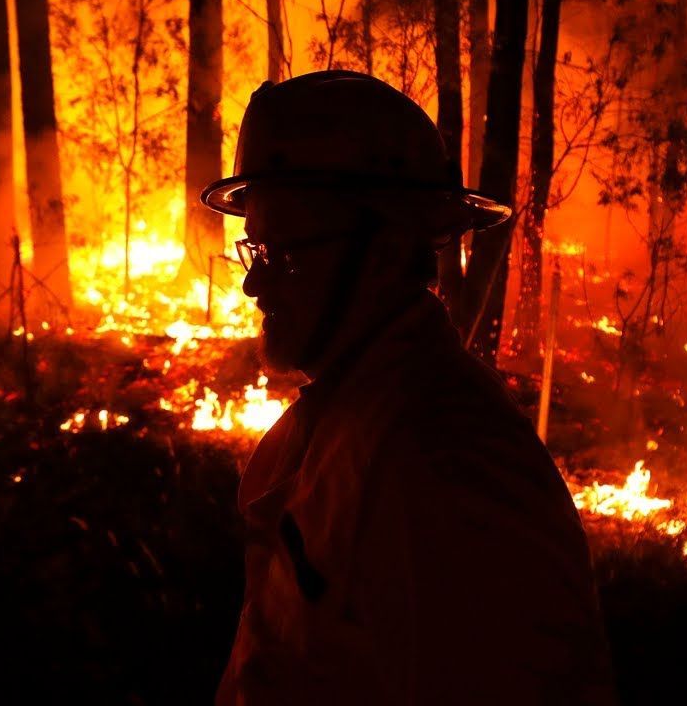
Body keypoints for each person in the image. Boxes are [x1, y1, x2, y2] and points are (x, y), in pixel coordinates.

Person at [201, 71, 618, 705]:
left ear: (388, 252)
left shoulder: (448, 463)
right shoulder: (349, 414)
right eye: (255, 251)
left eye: (284, 255)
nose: (253, 285)